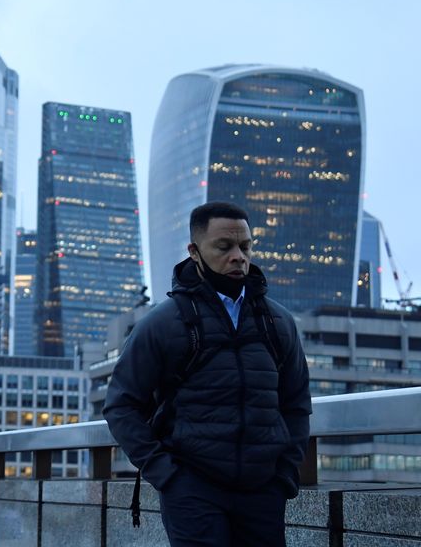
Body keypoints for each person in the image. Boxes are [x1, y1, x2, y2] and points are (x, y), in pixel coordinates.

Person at [103, 201, 312, 547]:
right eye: (224, 246)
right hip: (193, 490)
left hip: (263, 492)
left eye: (245, 247)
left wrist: (284, 476)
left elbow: (297, 404)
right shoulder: (162, 323)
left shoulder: (278, 323)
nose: (238, 257)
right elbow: (121, 406)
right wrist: (168, 477)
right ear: (194, 251)